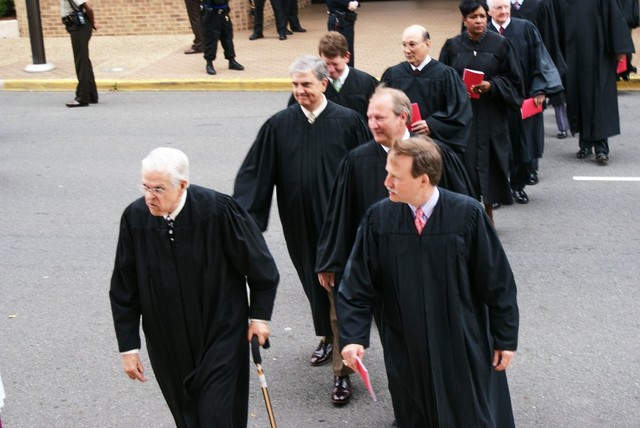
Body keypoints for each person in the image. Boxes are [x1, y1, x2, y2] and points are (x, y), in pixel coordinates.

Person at [338, 137, 519, 427]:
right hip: (407, 344)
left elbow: (498, 283)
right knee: (416, 414)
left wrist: (505, 338)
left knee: (470, 414)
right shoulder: (379, 219)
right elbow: (357, 285)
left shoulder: (468, 215)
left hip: (463, 342)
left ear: (422, 179)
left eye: (395, 177)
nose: (386, 182)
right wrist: (354, 337)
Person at [315, 86, 475, 407]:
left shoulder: (435, 156)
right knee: (397, 349)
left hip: (436, 271)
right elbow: (340, 216)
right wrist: (331, 260)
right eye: (369, 117)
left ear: (404, 118)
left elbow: (465, 210)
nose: (372, 124)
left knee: (442, 343)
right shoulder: (357, 161)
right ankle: (408, 411)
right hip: (386, 275)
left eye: (380, 117)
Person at [233, 55, 371, 406]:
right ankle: (327, 336)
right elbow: (256, 174)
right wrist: (242, 222)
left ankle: (343, 371)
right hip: (298, 223)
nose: (299, 91)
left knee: (337, 290)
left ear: (324, 84)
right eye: (295, 84)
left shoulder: (348, 122)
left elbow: (366, 170)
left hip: (338, 225)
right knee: (314, 284)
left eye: (306, 84)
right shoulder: (279, 125)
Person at [110, 147, 279, 428]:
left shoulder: (218, 210)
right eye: (145, 187)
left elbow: (261, 267)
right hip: (166, 340)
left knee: (217, 416)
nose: (150, 196)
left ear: (182, 185)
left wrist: (259, 317)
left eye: (159, 189)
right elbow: (124, 287)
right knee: (187, 418)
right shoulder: (135, 218)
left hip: (220, 332)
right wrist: (128, 347)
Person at [439, 0, 523, 224]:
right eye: (473, 17)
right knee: (464, 165)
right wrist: (458, 90)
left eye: (482, 16)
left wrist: (492, 86)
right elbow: (442, 81)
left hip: (491, 115)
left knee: (491, 164)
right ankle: (466, 214)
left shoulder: (501, 45)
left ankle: (488, 212)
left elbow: (514, 81)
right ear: (464, 20)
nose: (478, 21)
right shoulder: (452, 47)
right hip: (463, 117)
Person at [488, 0, 562, 204]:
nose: (503, 11)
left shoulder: (526, 29)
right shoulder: (483, 34)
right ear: (489, 11)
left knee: (523, 145)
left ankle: (518, 186)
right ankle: (497, 191)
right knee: (497, 149)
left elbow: (541, 59)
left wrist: (540, 89)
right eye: (498, 8)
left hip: (523, 98)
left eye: (505, 7)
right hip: (494, 101)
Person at [554, 0, 634, 164]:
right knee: (578, 99)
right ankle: (585, 144)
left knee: (599, 102)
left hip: (599, 55)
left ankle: (601, 148)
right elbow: (555, 24)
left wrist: (619, 49)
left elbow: (613, 17)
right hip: (573, 56)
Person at [381, 24, 473, 156]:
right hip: (400, 147)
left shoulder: (446, 75)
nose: (407, 50)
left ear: (427, 43)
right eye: (404, 45)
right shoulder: (393, 75)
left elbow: (460, 112)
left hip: (434, 149)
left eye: (412, 44)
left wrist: (432, 125)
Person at [510, 0, 570, 143]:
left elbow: (550, 36)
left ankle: (560, 127)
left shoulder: (540, 4)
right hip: (511, 64)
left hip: (536, 60)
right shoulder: (501, 7)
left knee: (543, 96)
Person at [288, 31, 378, 120]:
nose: (330, 70)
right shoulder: (311, 84)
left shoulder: (366, 83)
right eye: (326, 64)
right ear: (320, 57)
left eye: (335, 64)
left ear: (347, 57)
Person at [60, 0, 98, 108]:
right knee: (84, 61)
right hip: (78, 26)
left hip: (79, 28)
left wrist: (93, 23)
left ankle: (82, 98)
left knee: (81, 62)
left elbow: (89, 8)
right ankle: (91, 95)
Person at [202, 0, 244, 76]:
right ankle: (209, 63)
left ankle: (231, 60)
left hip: (224, 13)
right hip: (211, 13)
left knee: (227, 38)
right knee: (211, 39)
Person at [327, 0, 360, 67]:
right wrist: (348, 3)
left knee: (348, 50)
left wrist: (356, 3)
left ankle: (349, 73)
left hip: (348, 20)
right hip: (338, 20)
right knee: (337, 50)